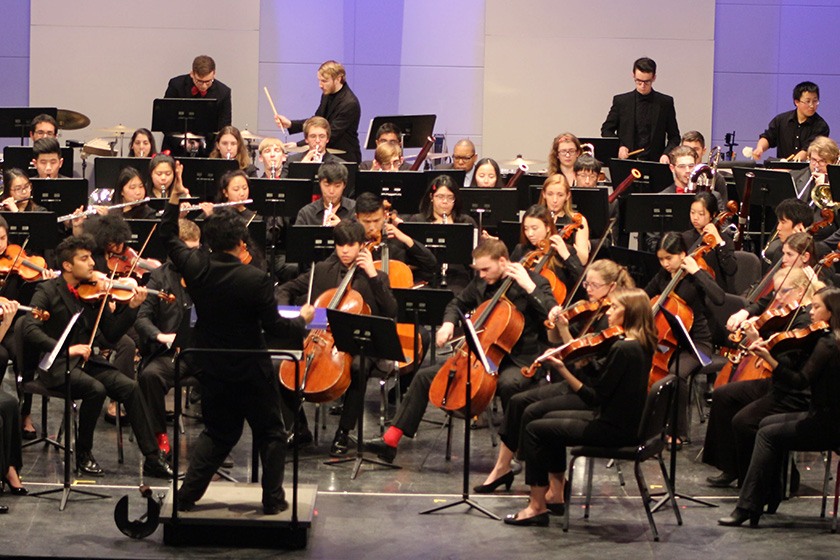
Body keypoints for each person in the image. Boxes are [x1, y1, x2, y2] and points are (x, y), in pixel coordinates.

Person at [162, 173, 313, 514]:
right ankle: (273, 500)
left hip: (211, 366)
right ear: (241, 240)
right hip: (249, 367)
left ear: (208, 241)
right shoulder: (256, 278)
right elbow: (274, 327)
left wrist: (175, 201)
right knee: (271, 433)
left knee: (218, 433)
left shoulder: (196, 269)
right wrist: (302, 320)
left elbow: (167, 236)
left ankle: (186, 498)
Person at [363, 238, 557, 463]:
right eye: (478, 270)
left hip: (517, 358)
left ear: (503, 261)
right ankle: (391, 440)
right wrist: (448, 324)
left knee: (508, 384)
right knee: (425, 376)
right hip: (483, 356)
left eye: (486, 269)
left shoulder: (535, 282)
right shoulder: (481, 282)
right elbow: (457, 304)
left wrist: (529, 287)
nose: (482, 275)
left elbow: (550, 314)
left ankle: (513, 451)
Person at [20, 235, 173, 478]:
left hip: (87, 362)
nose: (93, 263)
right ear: (68, 266)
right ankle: (83, 453)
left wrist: (131, 309)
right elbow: (29, 329)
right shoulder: (47, 290)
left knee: (130, 387)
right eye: (85, 258)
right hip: (57, 365)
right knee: (96, 389)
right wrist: (65, 349)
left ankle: (153, 457)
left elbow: (111, 335)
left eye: (91, 257)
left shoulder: (93, 293)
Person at [475, 261, 634, 494]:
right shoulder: (590, 307)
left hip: (586, 388)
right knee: (519, 402)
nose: (587, 289)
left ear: (611, 287)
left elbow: (579, 357)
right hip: (572, 381)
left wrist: (564, 329)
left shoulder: (613, 317)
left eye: (593, 285)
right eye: (587, 283)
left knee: (536, 413)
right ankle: (503, 467)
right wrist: (555, 322)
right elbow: (554, 339)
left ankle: (553, 486)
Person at [503, 288, 656, 526]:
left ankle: (536, 507)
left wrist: (563, 368)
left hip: (612, 429)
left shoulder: (623, 349)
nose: (609, 312)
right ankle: (552, 496)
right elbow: (607, 384)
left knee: (534, 429)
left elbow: (594, 397)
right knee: (545, 418)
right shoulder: (642, 344)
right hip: (624, 423)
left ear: (630, 313)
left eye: (615, 308)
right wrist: (584, 363)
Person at [718, 287, 840, 527]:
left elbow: (800, 381)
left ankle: (747, 507)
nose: (810, 311)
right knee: (764, 424)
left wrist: (769, 359)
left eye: (816, 307)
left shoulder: (828, 344)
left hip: (828, 423)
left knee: (766, 433)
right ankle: (768, 494)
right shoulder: (830, 338)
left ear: (831, 311)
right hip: (826, 416)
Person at [275, 220, 396, 457]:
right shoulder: (321, 270)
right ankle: (298, 428)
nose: (344, 250)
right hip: (321, 341)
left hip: (362, 345)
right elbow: (285, 289)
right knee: (282, 365)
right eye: (340, 245)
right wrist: (291, 314)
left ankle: (343, 431)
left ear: (362, 246)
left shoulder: (377, 276)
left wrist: (372, 274)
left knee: (359, 367)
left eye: (350, 245)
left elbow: (392, 312)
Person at [703, 267, 820, 488]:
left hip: (791, 389)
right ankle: (731, 467)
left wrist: (762, 343)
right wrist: (758, 336)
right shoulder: (788, 313)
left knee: (744, 420)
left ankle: (760, 478)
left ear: (802, 290)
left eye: (784, 292)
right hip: (777, 382)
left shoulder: (805, 321)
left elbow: (791, 366)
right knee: (722, 395)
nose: (779, 298)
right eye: (777, 292)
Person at [645, 232, 726, 442]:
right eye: (661, 259)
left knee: (677, 373)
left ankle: (677, 432)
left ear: (682, 254)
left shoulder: (695, 276)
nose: (665, 264)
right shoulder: (663, 276)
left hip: (696, 344)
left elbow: (719, 298)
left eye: (669, 258)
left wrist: (697, 271)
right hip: (669, 342)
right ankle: (647, 424)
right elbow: (645, 296)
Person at [136, 219, 201, 457]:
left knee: (226, 372)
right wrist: (161, 336)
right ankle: (158, 435)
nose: (193, 257)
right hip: (170, 354)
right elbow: (142, 319)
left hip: (200, 350)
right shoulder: (159, 278)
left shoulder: (206, 273)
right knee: (150, 375)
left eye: (197, 250)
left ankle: (216, 440)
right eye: (188, 251)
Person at [274, 60, 362, 163]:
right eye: (319, 80)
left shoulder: (349, 103)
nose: (320, 85)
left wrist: (299, 145)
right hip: (328, 154)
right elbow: (317, 122)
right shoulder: (327, 94)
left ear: (338, 79)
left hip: (345, 157)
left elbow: (331, 133)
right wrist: (291, 124)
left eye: (324, 81)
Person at [600, 57, 679, 163]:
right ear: (633, 76)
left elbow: (674, 136)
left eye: (647, 82)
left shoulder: (665, 102)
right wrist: (620, 146)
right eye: (639, 81)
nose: (642, 86)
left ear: (654, 77)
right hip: (626, 162)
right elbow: (606, 130)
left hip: (655, 162)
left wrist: (667, 154)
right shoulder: (621, 101)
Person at [406, 174, 477, 292]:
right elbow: (410, 259)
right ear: (431, 197)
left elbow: (474, 259)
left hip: (456, 277)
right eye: (440, 196)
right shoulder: (418, 221)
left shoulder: (466, 222)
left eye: (450, 197)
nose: (445, 202)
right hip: (425, 276)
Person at [163, 55, 232, 156]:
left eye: (208, 81)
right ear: (192, 74)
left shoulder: (223, 92)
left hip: (208, 149)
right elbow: (166, 119)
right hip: (175, 148)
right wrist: (182, 140)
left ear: (214, 74)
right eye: (199, 81)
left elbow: (224, 126)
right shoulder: (176, 85)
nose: (204, 86)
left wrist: (202, 142)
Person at [750, 81, 829, 162]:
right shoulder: (781, 120)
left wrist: (799, 157)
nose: (812, 105)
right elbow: (768, 137)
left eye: (815, 101)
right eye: (807, 101)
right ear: (796, 102)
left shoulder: (821, 126)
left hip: (806, 171)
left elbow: (808, 150)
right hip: (782, 170)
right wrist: (760, 148)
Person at [682, 191, 738, 292]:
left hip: (716, 293)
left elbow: (731, 269)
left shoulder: (724, 239)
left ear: (713, 215)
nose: (695, 217)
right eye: (692, 212)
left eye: (701, 214)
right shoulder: (685, 237)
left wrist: (718, 241)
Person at [537, 174, 590, 265]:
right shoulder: (536, 218)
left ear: (567, 196)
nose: (554, 200)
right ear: (544, 194)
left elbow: (583, 259)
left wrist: (565, 247)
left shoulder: (578, 220)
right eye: (550, 194)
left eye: (560, 195)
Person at [294, 161, 355, 226]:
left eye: (337, 186)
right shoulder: (306, 213)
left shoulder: (354, 209)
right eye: (327, 185)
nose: (331, 191)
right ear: (320, 183)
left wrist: (342, 227)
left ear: (344, 185)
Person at [280, 117, 344, 178]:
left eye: (322, 136)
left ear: (327, 139)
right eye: (313, 136)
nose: (317, 141)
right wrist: (301, 167)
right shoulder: (292, 161)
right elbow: (284, 187)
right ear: (306, 139)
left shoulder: (340, 164)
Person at [680, 130, 727, 209]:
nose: (692, 153)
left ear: (704, 151)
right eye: (687, 149)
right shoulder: (677, 175)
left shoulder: (717, 178)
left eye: (696, 149)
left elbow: (723, 212)